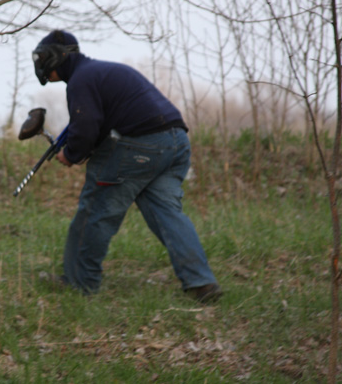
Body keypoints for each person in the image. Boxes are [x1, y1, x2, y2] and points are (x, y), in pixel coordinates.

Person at [32, 29, 221, 302]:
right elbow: (97, 122)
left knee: (95, 210)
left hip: (141, 145)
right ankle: (201, 282)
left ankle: (78, 283)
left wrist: (71, 154)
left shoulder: (81, 81)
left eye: (43, 59)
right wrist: (78, 144)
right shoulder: (102, 72)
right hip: (176, 143)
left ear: (57, 57)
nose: (41, 67)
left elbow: (86, 127)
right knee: (167, 213)